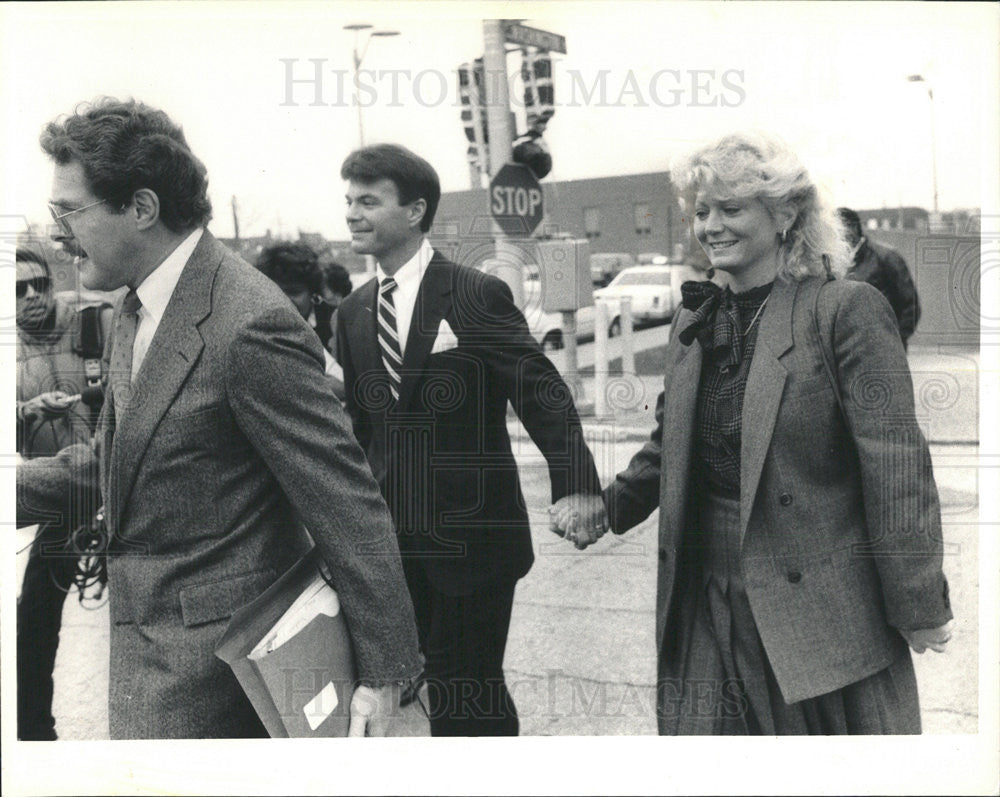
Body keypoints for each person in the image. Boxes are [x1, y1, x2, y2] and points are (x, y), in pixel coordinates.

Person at [16, 98, 421, 739]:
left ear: (142, 208)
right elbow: (110, 462)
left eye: (69, 211)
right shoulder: (134, 308)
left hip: (218, 681)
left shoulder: (248, 321)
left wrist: (386, 674)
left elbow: (346, 502)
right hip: (152, 660)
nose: (58, 231)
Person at [551, 132, 953, 735]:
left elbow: (895, 464)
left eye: (730, 209)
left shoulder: (846, 310)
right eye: (701, 210)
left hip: (818, 603)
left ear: (787, 213)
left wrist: (918, 602)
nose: (709, 225)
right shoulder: (698, 313)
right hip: (705, 590)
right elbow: (671, 444)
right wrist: (607, 508)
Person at [334, 143, 601, 736]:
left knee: (468, 695)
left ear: (415, 211)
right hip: (391, 545)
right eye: (348, 200)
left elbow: (542, 393)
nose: (352, 213)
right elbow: (358, 431)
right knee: (410, 697)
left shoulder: (475, 294)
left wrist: (578, 485)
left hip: (472, 542)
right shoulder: (351, 314)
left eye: (368, 201)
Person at [15, 246, 109, 740]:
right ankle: (33, 733)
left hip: (118, 490)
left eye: (39, 285)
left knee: (140, 620)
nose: (31, 297)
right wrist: (26, 411)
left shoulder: (96, 320)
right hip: (60, 502)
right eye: (17, 289)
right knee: (34, 619)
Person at [837, 207, 920, 348]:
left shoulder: (886, 257)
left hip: (884, 347)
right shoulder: (834, 261)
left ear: (853, 228)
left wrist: (895, 340)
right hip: (849, 349)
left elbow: (910, 304)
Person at [255, 241, 337, 351]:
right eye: (277, 293)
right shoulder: (255, 328)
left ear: (312, 292)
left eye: (294, 292)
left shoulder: (334, 323)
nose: (285, 301)